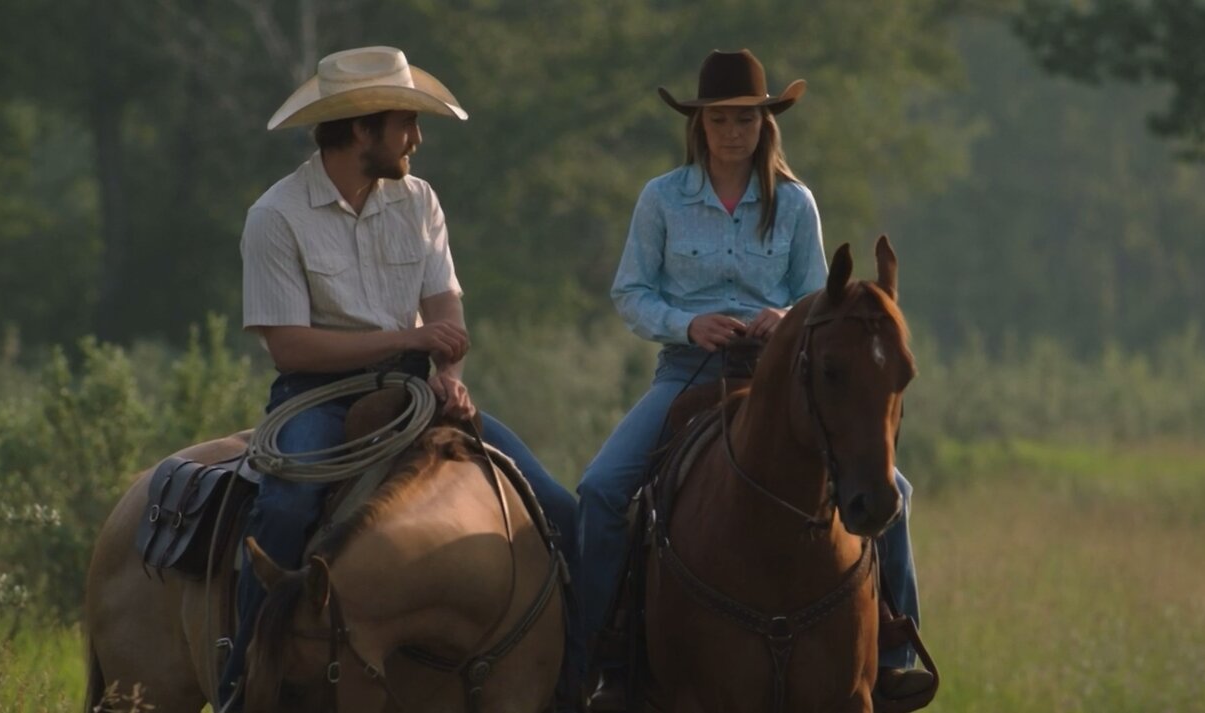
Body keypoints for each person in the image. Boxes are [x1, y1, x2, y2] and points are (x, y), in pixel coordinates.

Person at [218, 46, 583, 711]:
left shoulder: (419, 201)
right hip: (318, 397)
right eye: (406, 122)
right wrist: (409, 339)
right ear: (363, 129)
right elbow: (290, 347)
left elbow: (445, 310)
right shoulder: (276, 216)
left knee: (557, 509)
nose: (417, 137)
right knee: (285, 507)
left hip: (419, 395)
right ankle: (245, 674)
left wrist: (449, 372)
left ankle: (578, 680)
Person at [574, 49, 932, 707]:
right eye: (719, 119)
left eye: (744, 118)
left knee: (895, 494)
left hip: (783, 374)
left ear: (765, 124)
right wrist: (689, 324)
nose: (732, 131)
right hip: (688, 371)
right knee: (600, 491)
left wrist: (785, 316)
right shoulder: (661, 198)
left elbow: (816, 296)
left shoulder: (795, 204)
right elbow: (631, 292)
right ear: (699, 124)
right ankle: (597, 661)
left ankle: (892, 654)